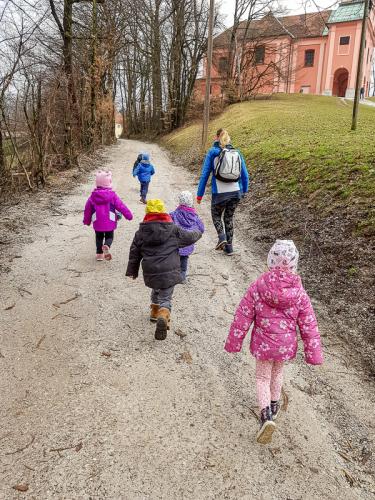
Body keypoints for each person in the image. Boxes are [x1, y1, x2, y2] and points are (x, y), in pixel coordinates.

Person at [224, 240, 323, 444]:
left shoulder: (259, 286)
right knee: (278, 373)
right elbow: (309, 325)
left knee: (262, 377)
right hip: (285, 346)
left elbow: (243, 315)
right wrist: (314, 353)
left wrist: (234, 342)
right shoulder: (299, 293)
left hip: (263, 345)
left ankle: (265, 415)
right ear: (295, 266)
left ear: (270, 262)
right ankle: (275, 405)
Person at [126, 199, 202, 340]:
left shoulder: (141, 232)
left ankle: (155, 313)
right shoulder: (173, 229)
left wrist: (132, 270)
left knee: (156, 288)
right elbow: (189, 236)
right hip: (170, 270)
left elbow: (134, 252)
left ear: (147, 213)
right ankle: (163, 313)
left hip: (151, 271)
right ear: (163, 212)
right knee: (165, 296)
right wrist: (198, 232)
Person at [196, 129, 249, 256]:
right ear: (228, 138)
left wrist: (199, 194)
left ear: (216, 137)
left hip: (220, 193)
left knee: (216, 215)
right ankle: (229, 248)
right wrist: (244, 191)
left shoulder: (213, 152)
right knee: (229, 218)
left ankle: (222, 237)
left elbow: (204, 175)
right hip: (236, 192)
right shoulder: (237, 152)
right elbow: (245, 175)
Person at [83, 170, 133, 261]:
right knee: (109, 236)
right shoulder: (112, 195)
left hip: (97, 221)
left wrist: (87, 221)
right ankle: (107, 245)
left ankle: (99, 254)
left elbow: (87, 210)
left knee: (99, 237)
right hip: (110, 221)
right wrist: (128, 215)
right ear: (109, 183)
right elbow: (121, 206)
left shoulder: (92, 196)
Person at [170, 191, 205, 283]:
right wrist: (197, 233)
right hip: (188, 242)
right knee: (184, 258)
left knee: (174, 258)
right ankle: (182, 276)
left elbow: (168, 223)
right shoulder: (194, 216)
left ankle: (173, 274)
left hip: (176, 243)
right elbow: (201, 228)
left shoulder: (174, 214)